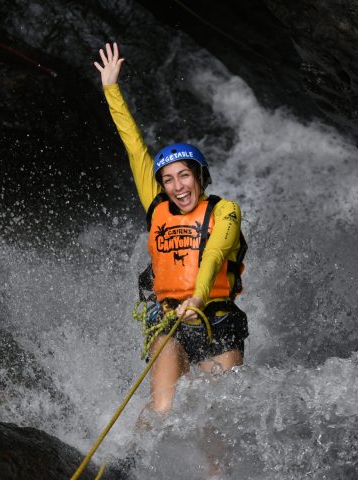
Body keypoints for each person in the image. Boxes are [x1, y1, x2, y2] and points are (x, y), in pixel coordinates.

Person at [94, 42, 248, 415]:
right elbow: (135, 148)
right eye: (168, 180)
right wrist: (110, 89)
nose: (178, 186)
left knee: (217, 418)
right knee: (161, 408)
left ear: (199, 176)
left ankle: (216, 476)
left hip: (218, 321)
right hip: (168, 319)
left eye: (184, 176)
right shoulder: (157, 205)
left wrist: (197, 298)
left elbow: (213, 252)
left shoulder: (226, 211)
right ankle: (130, 465)